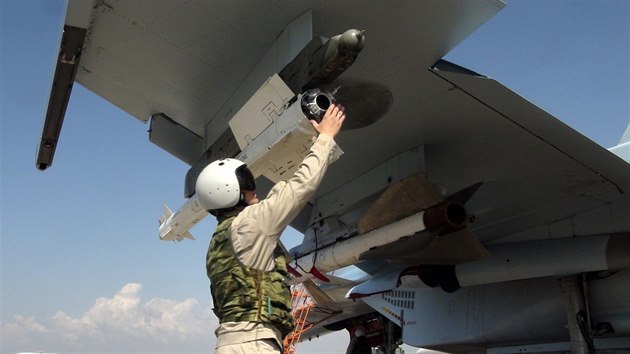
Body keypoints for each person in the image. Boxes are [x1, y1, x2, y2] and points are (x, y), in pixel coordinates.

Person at [204, 103, 346, 354]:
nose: (253, 190)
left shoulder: (219, 241)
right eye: (247, 184)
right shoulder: (249, 224)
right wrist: (325, 138)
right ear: (229, 192)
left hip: (229, 344)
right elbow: (299, 188)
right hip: (254, 345)